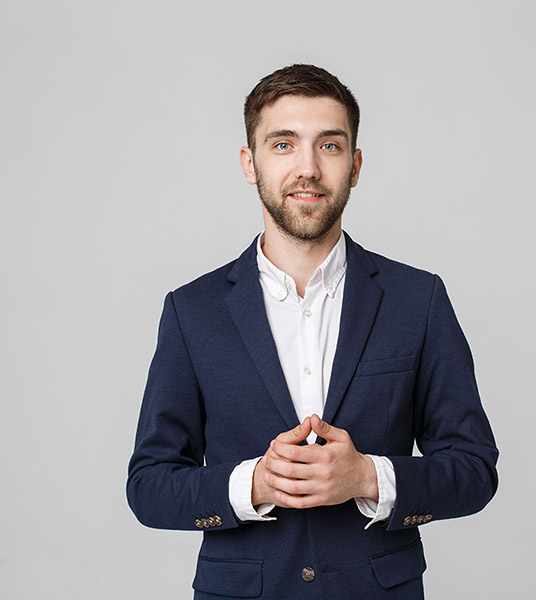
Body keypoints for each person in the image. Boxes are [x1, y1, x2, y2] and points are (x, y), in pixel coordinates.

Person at [127, 64, 498, 600]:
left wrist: (368, 477)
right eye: (283, 144)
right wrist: (254, 484)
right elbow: (149, 486)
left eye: (329, 145)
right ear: (249, 163)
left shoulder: (418, 300)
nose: (308, 168)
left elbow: (475, 469)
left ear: (355, 165)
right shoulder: (192, 311)